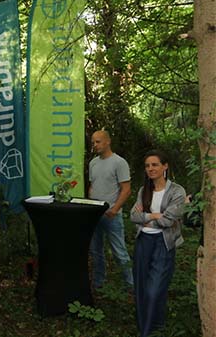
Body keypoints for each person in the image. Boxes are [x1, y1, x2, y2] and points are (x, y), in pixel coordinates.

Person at [130, 150, 186, 337]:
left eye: (155, 164)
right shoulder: (143, 190)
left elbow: (168, 220)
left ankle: (147, 331)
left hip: (164, 243)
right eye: (147, 166)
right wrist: (153, 216)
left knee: (155, 289)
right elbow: (133, 216)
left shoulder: (177, 191)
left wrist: (145, 218)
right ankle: (147, 324)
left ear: (165, 166)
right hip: (143, 242)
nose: (150, 169)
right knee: (141, 286)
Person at [88, 130, 134, 289]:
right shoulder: (93, 163)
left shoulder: (119, 162)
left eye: (98, 141)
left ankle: (131, 285)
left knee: (120, 252)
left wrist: (114, 209)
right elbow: (92, 186)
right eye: (93, 142)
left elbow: (126, 189)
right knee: (96, 251)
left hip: (112, 215)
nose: (95, 145)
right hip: (94, 214)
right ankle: (98, 283)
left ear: (108, 142)